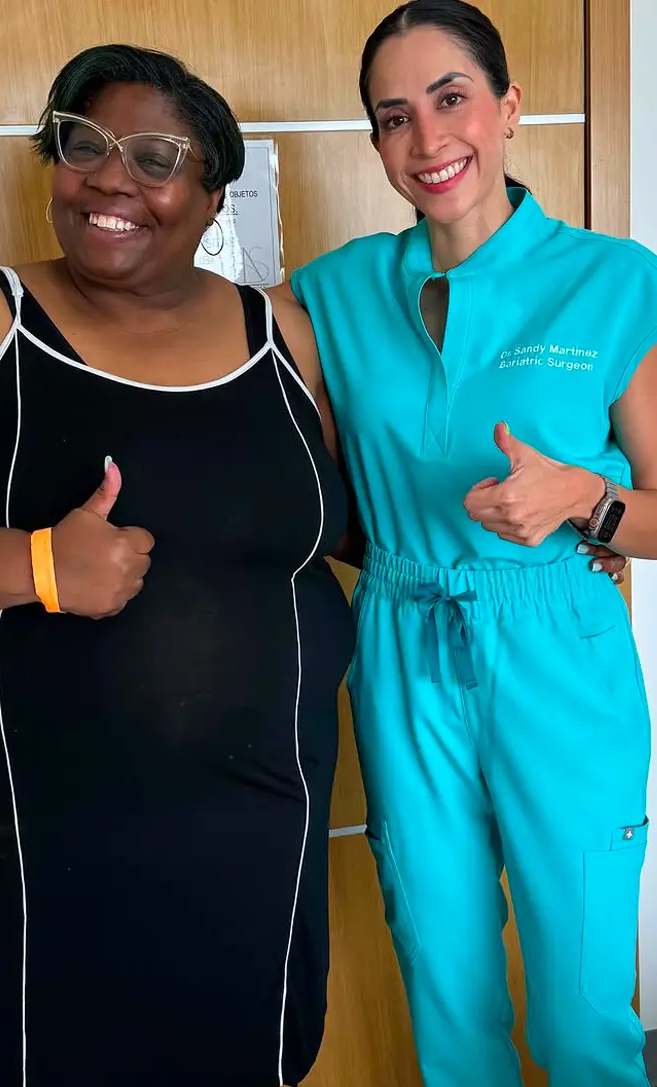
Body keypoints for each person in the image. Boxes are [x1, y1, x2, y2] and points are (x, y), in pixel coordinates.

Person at [0, 45, 356, 1087]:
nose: (111, 178)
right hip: (43, 863)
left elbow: (352, 530)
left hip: (261, 846)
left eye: (155, 156)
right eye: (84, 145)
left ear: (212, 192)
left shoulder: (287, 340)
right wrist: (36, 563)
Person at [273, 1, 657, 1084]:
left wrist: (586, 498)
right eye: (394, 117)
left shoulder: (614, 281)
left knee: (582, 1011)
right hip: (401, 643)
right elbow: (223, 387)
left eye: (451, 101)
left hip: (558, 650)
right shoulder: (336, 290)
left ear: (507, 108)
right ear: (376, 143)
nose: (429, 141)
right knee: (446, 987)